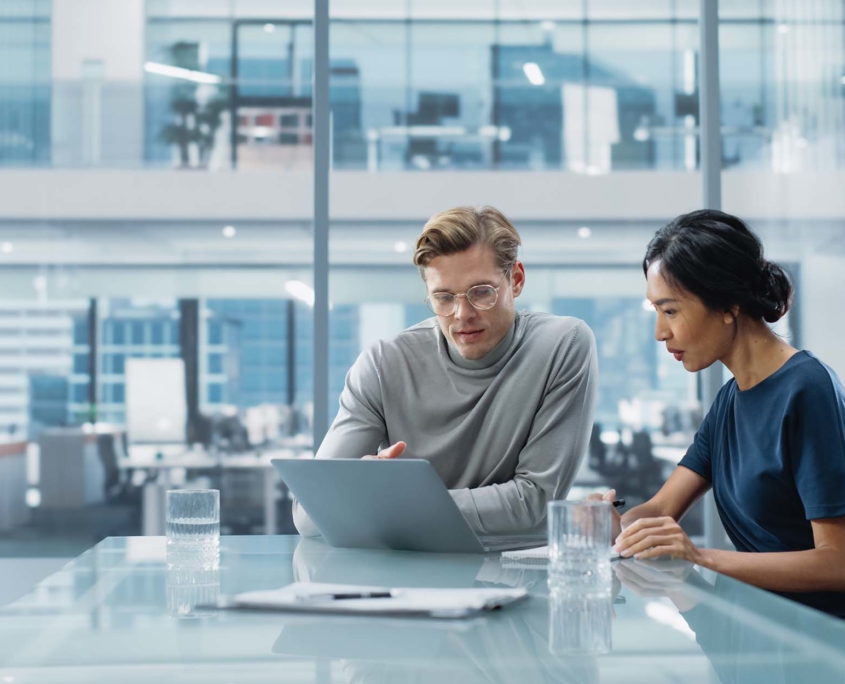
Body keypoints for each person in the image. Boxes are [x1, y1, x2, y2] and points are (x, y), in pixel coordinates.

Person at [293, 206, 598, 537]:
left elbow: (535, 503)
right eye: (443, 298)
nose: (461, 314)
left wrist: (385, 504)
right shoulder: (383, 364)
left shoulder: (562, 345)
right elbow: (309, 515)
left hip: (515, 573)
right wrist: (366, 492)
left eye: (482, 292)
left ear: (517, 280)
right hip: (405, 578)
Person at [595, 209, 845, 614]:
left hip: (813, 640)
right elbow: (660, 509)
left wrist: (700, 557)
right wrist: (616, 527)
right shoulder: (730, 400)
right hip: (753, 628)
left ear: (729, 304)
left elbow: (837, 562)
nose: (660, 332)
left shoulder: (808, 389)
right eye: (656, 312)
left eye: (671, 311)